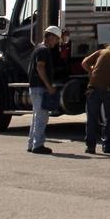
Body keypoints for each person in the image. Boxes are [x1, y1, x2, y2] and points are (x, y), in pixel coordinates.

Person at [81, 43, 110, 154]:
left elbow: (84, 63)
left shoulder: (102, 52)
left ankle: (90, 147)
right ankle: (108, 146)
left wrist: (92, 71)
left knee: (91, 119)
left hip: (93, 88)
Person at [26, 25, 62, 154]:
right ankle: (38, 145)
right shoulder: (43, 50)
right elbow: (40, 68)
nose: (57, 42)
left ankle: (32, 143)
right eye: (57, 39)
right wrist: (49, 86)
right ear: (51, 37)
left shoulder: (37, 48)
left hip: (34, 87)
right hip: (39, 87)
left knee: (37, 116)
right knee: (42, 117)